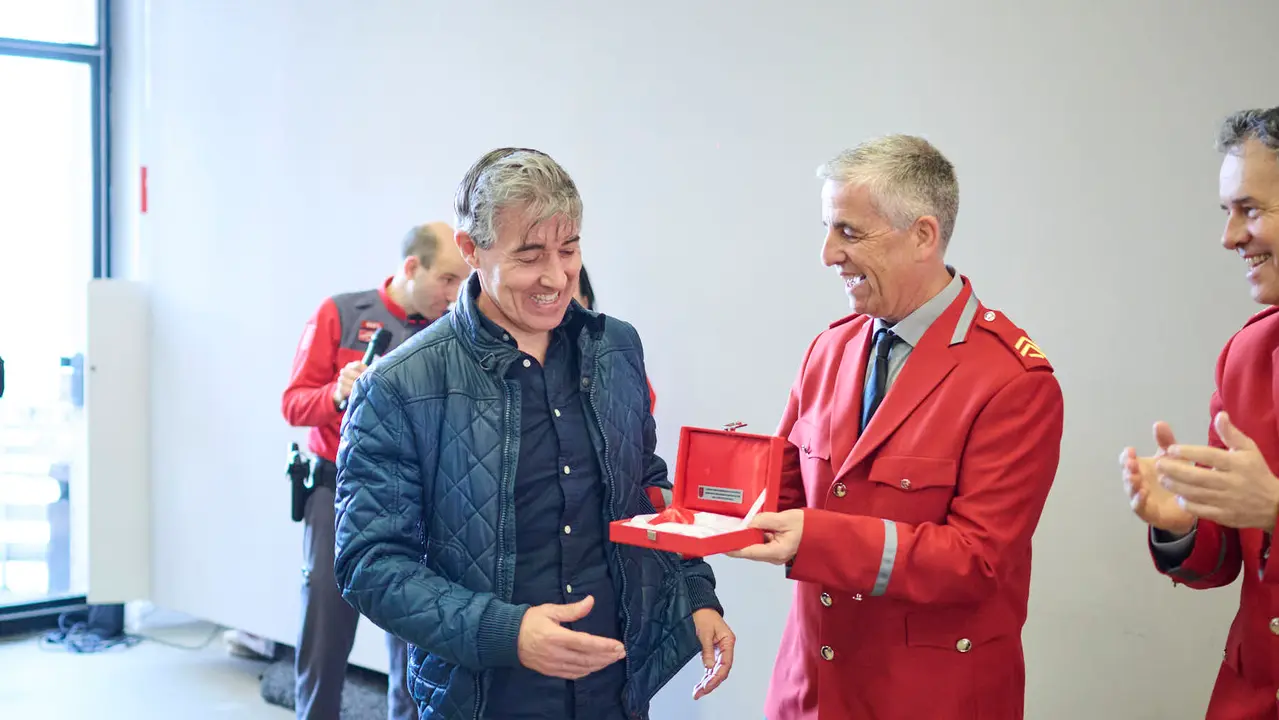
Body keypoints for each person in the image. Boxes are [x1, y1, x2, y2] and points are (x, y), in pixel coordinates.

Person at [331, 147, 735, 720]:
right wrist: (507, 632)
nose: (556, 277)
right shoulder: (401, 384)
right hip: (486, 697)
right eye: (529, 255)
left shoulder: (616, 348)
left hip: (615, 689)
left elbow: (646, 487)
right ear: (471, 249)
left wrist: (696, 593)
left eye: (568, 250)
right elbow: (368, 563)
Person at [731, 134, 1065, 719]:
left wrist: (819, 539)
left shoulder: (1012, 380)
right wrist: (694, 496)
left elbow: (977, 560)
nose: (828, 254)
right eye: (828, 229)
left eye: (849, 232)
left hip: (927, 700)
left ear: (923, 236)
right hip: (811, 693)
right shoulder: (829, 349)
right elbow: (781, 494)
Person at [1123, 106, 1279, 718]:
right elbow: (1230, 556)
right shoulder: (1247, 354)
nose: (1230, 236)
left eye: (1251, 210)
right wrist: (1183, 523)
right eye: (1227, 212)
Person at [281, 221, 470, 720]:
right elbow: (294, 404)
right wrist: (337, 392)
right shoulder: (342, 314)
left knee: (413, 638)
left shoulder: (451, 330)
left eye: (462, 281)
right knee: (325, 632)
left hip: (420, 498)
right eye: (447, 279)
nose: (456, 294)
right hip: (338, 493)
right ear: (412, 267)